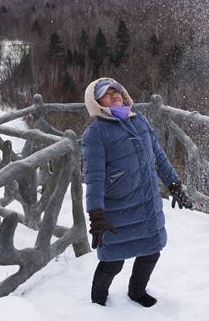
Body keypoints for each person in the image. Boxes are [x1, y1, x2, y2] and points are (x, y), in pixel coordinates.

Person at [81, 77, 193, 307]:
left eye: (117, 91)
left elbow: (159, 157)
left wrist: (174, 185)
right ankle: (97, 300)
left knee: (151, 251)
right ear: (96, 102)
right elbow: (94, 177)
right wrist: (96, 214)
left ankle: (137, 291)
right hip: (116, 210)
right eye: (106, 93)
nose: (114, 95)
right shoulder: (96, 134)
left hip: (148, 204)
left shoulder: (140, 121)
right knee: (113, 261)